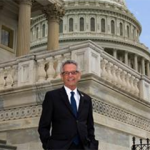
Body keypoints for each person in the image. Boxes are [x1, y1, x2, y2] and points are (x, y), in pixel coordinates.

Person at [38, 60, 98, 150]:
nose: (70, 75)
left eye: (73, 72)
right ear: (62, 76)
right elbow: (43, 126)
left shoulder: (87, 99)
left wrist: (92, 146)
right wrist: (49, 146)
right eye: (67, 73)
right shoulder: (52, 96)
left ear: (79, 75)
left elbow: (90, 127)